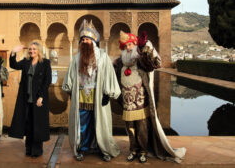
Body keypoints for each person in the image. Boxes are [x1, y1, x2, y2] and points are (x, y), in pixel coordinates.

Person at [115, 31, 186, 163]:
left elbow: (154, 64)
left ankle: (143, 151)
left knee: (142, 127)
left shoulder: (140, 59)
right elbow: (112, 74)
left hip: (141, 100)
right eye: (126, 46)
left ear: (135, 45)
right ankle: (133, 150)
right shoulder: (120, 61)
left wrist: (143, 47)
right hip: (127, 101)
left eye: (130, 44)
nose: (128, 48)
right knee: (130, 127)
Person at [62, 20, 121, 162]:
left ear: (93, 40)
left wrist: (108, 93)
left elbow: (109, 75)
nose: (85, 41)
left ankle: (104, 148)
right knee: (83, 123)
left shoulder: (103, 57)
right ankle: (83, 148)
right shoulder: (76, 58)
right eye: (83, 39)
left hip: (99, 95)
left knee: (100, 122)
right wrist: (70, 91)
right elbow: (70, 77)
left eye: (88, 39)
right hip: (82, 96)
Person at [9, 40, 52, 157]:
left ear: (39, 51)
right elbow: (14, 65)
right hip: (26, 98)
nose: (32, 51)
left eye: (34, 49)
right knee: (28, 124)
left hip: (38, 99)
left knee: (37, 124)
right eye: (30, 49)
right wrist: (13, 52)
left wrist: (41, 97)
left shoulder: (45, 63)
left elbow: (47, 81)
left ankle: (37, 150)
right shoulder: (26, 62)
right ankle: (28, 149)